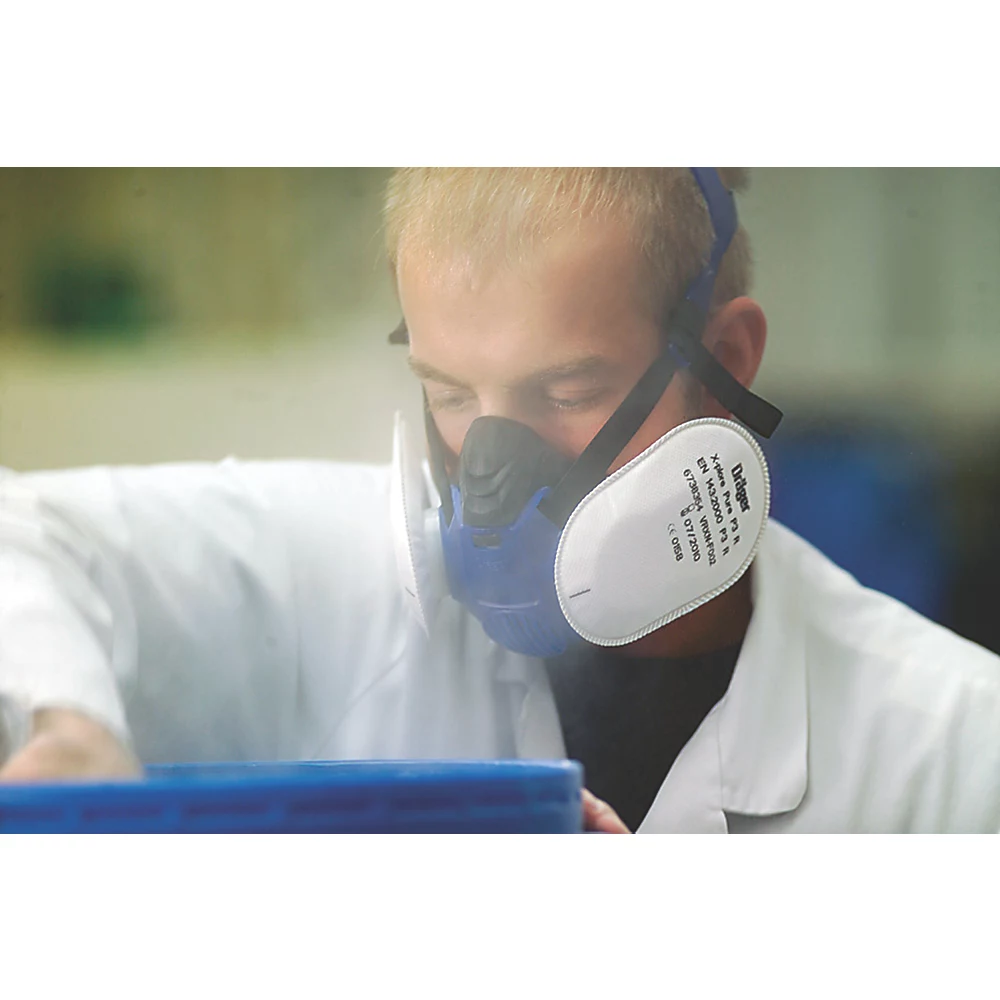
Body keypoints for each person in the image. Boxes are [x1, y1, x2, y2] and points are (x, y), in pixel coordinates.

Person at [2, 168, 999, 833]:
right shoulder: (339, 583)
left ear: (728, 363)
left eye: (563, 392)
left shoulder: (952, 750)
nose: (489, 467)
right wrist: (71, 718)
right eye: (449, 394)